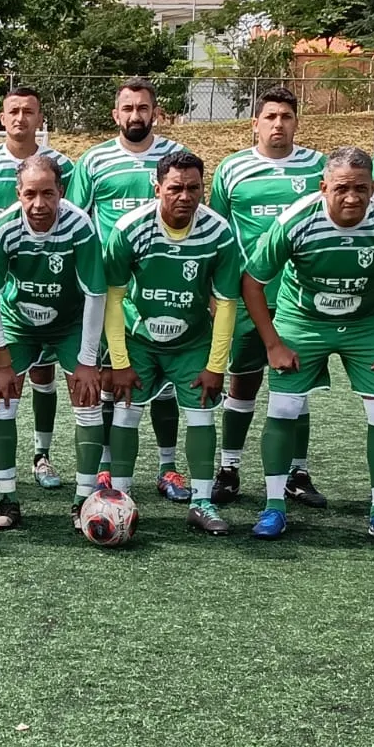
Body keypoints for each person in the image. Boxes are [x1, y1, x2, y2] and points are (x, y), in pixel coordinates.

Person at [240, 147, 374, 544]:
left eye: (361, 188)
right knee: (284, 406)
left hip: (367, 322)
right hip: (303, 319)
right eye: (342, 188)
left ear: (373, 187)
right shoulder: (295, 220)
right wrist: (273, 344)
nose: (352, 197)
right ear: (323, 187)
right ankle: (274, 506)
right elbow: (253, 283)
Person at [64, 77, 191, 502]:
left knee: (166, 379)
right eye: (128, 108)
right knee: (108, 376)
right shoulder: (94, 160)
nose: (136, 115)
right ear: (115, 114)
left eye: (143, 108)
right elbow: (77, 221)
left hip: (163, 286)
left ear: (156, 112)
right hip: (110, 289)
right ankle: (105, 466)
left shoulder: (174, 157)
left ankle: (168, 467)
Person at [104, 152, 241, 535]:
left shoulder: (218, 232)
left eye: (193, 188)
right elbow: (113, 298)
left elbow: (227, 303)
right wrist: (119, 362)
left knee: (201, 414)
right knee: (126, 412)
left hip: (192, 341)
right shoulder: (130, 229)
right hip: (139, 339)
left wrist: (216, 365)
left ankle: (201, 502)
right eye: (175, 188)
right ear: (157, 188)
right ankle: (120, 497)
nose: (185, 196)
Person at [207, 87, 329, 507]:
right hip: (246, 295)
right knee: (242, 381)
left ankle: (297, 472)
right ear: (255, 123)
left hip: (301, 298)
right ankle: (229, 469)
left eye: (286, 117)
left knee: (297, 385)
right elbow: (219, 234)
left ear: (296, 123)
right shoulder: (232, 168)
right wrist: (215, 293)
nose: (279, 124)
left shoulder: (317, 167)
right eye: (271, 117)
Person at [0, 85, 76, 489]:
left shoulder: (63, 166)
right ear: (2, 117)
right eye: (14, 111)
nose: (21, 118)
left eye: (29, 111)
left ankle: (42, 455)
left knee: (45, 372)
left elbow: (71, 217)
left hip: (51, 283)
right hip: (5, 285)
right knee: (3, 373)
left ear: (40, 118)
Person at [0, 155, 107, 531]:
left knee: (88, 403)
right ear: (18, 193)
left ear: (61, 192)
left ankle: (83, 502)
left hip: (69, 323)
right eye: (30, 194)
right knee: (2, 404)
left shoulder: (79, 226)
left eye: (48, 194)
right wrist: (1, 361)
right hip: (18, 324)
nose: (39, 204)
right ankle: (8, 499)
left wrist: (87, 360)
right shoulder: (2, 229)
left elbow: (96, 293)